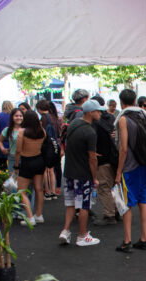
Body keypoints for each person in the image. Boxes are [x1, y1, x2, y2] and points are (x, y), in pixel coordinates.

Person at [59, 99, 103, 247]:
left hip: (69, 170)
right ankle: (82, 235)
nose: (100, 113)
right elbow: (92, 158)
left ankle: (66, 230)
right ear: (90, 112)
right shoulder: (90, 132)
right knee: (84, 204)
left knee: (70, 203)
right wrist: (95, 177)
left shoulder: (73, 124)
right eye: (98, 111)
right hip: (83, 173)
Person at [115, 89, 146, 252]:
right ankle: (144, 238)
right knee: (143, 201)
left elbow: (123, 148)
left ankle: (127, 240)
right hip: (143, 163)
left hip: (129, 166)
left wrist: (118, 171)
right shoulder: (143, 116)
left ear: (121, 102)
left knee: (127, 203)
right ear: (135, 101)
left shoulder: (123, 119)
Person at [90, 95, 120, 226]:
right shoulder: (112, 118)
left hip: (102, 158)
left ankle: (110, 215)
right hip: (114, 157)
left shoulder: (96, 123)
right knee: (112, 186)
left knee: (103, 187)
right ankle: (117, 210)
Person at [14, 111, 47, 225]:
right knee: (39, 189)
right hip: (39, 160)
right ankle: (39, 215)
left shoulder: (22, 132)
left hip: (26, 161)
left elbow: (18, 150)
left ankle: (29, 217)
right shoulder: (42, 131)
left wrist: (16, 165)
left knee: (21, 191)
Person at [36, 100, 60, 200]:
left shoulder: (43, 118)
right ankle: (53, 191)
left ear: (39, 108)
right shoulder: (54, 117)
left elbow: (42, 133)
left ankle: (47, 191)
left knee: (45, 170)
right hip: (54, 145)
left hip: (46, 145)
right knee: (51, 169)